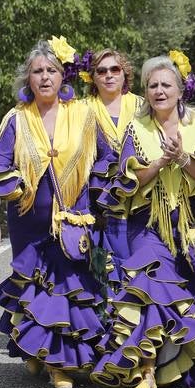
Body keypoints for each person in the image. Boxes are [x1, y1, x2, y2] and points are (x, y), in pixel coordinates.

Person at [91, 51, 195, 388]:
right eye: (152, 85)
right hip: (146, 225)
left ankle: (182, 363)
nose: (159, 91)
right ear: (146, 91)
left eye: (165, 84)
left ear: (180, 90)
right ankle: (145, 374)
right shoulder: (136, 127)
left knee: (185, 296)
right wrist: (160, 161)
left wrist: (185, 159)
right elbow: (128, 180)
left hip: (188, 225)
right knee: (148, 287)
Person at [0, 37, 104, 388]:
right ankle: (39, 354)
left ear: (64, 77)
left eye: (51, 71)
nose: (44, 77)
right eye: (37, 71)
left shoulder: (84, 113)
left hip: (72, 219)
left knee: (64, 289)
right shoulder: (15, 118)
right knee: (33, 288)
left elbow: (106, 158)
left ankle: (57, 363)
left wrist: (104, 201)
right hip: (28, 220)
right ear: (28, 79)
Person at [88, 48, 143, 286]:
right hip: (101, 203)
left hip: (142, 199)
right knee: (106, 271)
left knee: (141, 265)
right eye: (102, 70)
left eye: (115, 69)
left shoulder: (144, 107)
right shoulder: (82, 110)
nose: (109, 75)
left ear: (124, 74)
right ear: (93, 77)